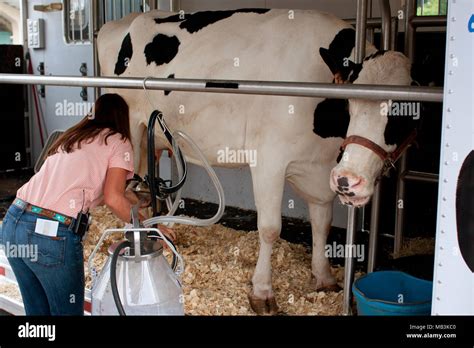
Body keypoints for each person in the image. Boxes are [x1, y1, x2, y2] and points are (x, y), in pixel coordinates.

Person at [0, 93, 173, 315]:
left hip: (14, 223)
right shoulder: (118, 141)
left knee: (38, 315)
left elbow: (102, 193)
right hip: (50, 235)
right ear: (122, 117)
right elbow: (113, 198)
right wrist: (150, 227)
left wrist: (132, 200)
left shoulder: (72, 137)